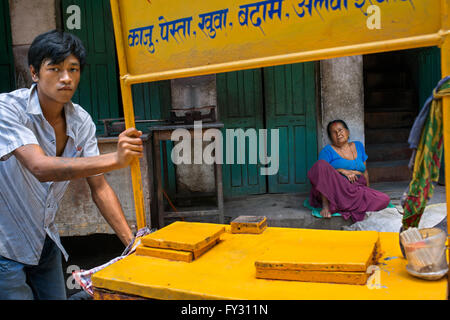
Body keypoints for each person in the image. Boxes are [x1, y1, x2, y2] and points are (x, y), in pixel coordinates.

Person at [0, 30, 143, 300]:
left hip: (45, 242)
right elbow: (39, 167)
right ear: (34, 73)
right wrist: (115, 158)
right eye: (54, 69)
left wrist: (132, 244)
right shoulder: (8, 109)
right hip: (4, 247)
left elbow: (99, 187)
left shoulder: (81, 121)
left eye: (73, 69)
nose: (66, 78)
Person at [307, 119, 390, 222]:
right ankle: (329, 206)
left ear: (347, 132)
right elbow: (322, 175)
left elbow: (365, 171)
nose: (338, 134)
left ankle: (345, 205)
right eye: (334, 132)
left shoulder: (358, 146)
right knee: (320, 164)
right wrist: (342, 171)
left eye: (340, 130)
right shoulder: (327, 151)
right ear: (330, 137)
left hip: (357, 189)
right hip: (338, 190)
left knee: (384, 199)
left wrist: (368, 190)